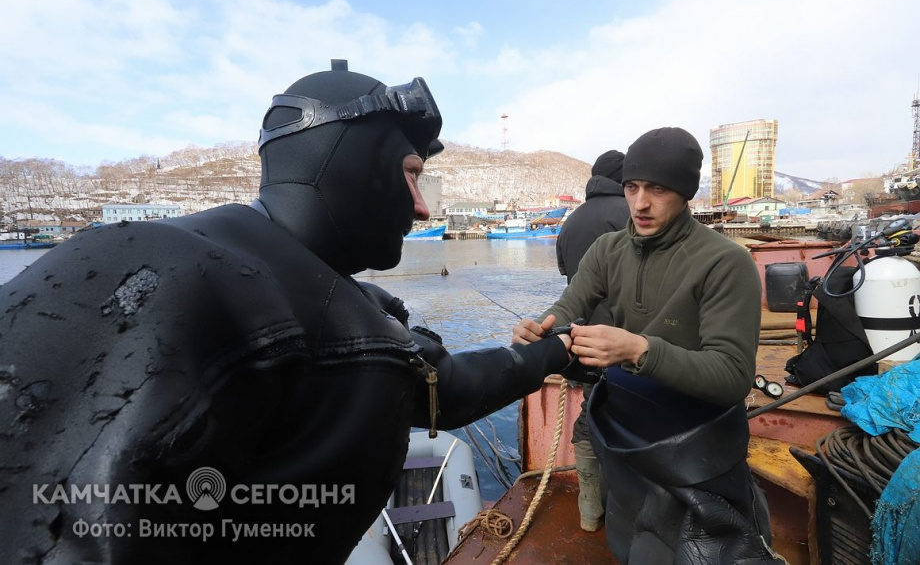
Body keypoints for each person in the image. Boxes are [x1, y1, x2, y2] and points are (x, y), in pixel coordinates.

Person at [0, 61, 576, 565]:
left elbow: (438, 387)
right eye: (411, 174)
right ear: (351, 162)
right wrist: (558, 351)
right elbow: (439, 389)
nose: (423, 207)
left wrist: (552, 351)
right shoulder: (279, 305)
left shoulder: (122, 252)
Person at [513, 127, 784, 564]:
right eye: (633, 187)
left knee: (702, 550)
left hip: (698, 444)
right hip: (626, 437)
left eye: (658, 189)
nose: (640, 203)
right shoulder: (607, 249)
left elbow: (733, 377)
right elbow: (567, 306)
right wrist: (539, 328)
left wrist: (638, 349)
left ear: (685, 193)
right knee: (631, 542)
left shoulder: (724, 261)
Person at [554, 149, 629, 533]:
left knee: (589, 413)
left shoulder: (571, 221)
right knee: (630, 415)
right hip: (621, 343)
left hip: (578, 343)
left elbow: (568, 276)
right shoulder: (632, 213)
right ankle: (626, 511)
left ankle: (589, 512)